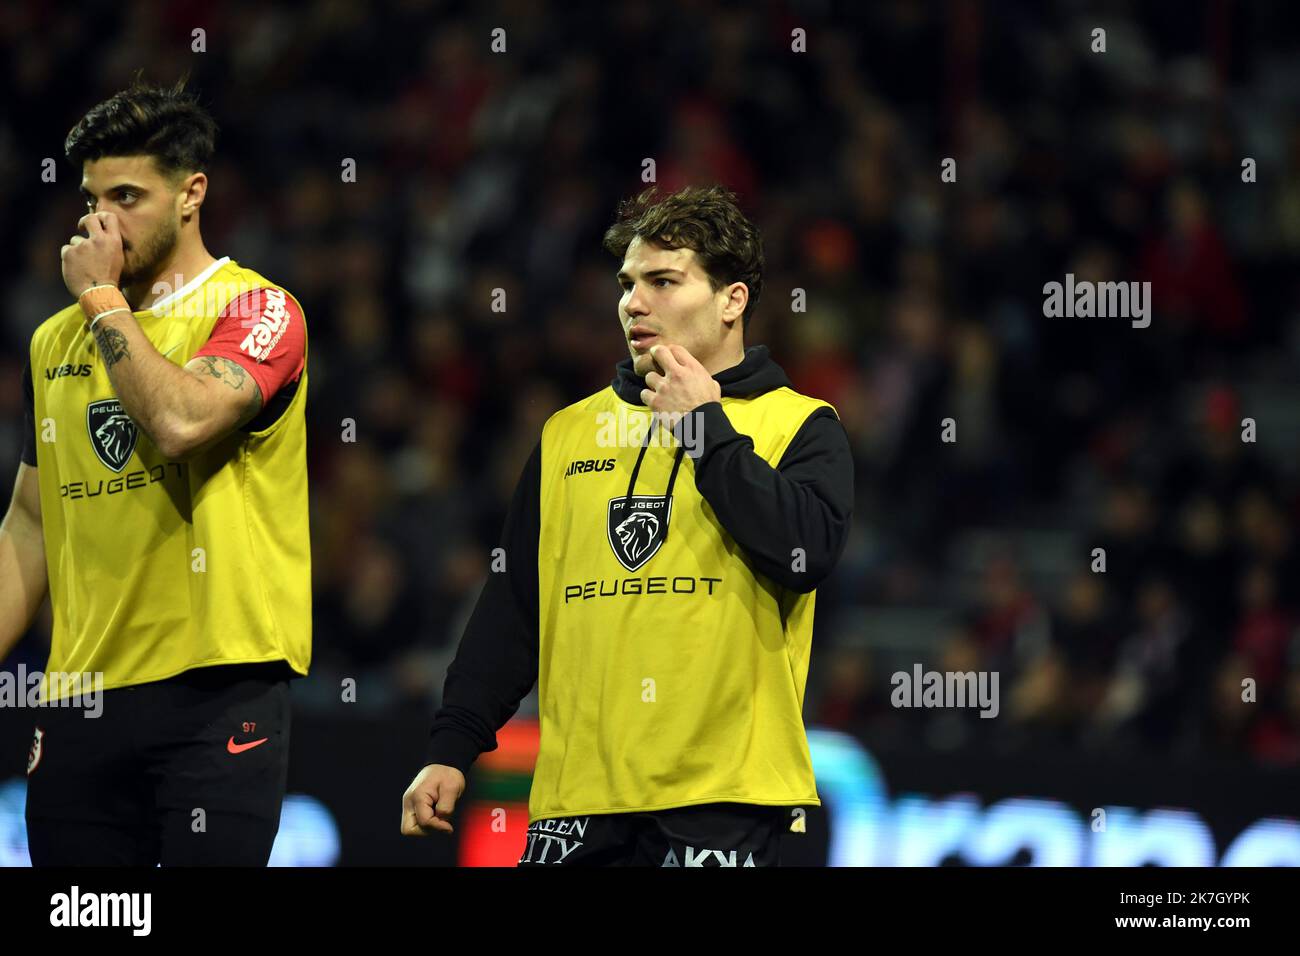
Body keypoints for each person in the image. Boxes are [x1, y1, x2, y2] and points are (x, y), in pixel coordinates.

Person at [401, 184, 854, 866]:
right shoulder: (567, 434)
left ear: (733, 300)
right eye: (627, 283)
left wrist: (704, 430)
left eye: (663, 281)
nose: (633, 303)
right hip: (578, 799)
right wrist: (452, 748)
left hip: (722, 800)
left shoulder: (799, 424)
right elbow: (514, 609)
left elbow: (805, 553)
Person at [0, 79, 311, 866]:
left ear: (191, 193)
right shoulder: (52, 344)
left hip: (217, 693)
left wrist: (103, 301)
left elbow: (181, 422)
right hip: (81, 695)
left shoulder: (259, 310)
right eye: (91, 201)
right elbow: (32, 524)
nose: (102, 223)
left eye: (129, 196)